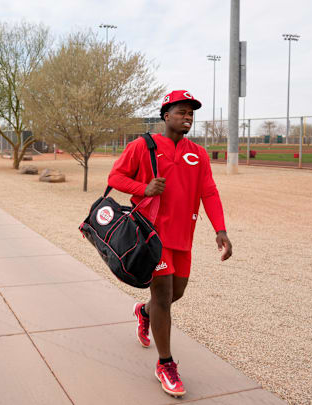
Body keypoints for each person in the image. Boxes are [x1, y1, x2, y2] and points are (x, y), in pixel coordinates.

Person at [107, 90, 233, 397]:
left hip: (183, 239)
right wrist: (144, 188)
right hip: (152, 235)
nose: (188, 117)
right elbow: (116, 177)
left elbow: (210, 192)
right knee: (163, 295)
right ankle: (165, 364)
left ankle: (144, 312)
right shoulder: (143, 146)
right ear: (166, 115)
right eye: (181, 111)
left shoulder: (198, 154)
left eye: (191, 113)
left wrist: (221, 229)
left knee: (176, 292)